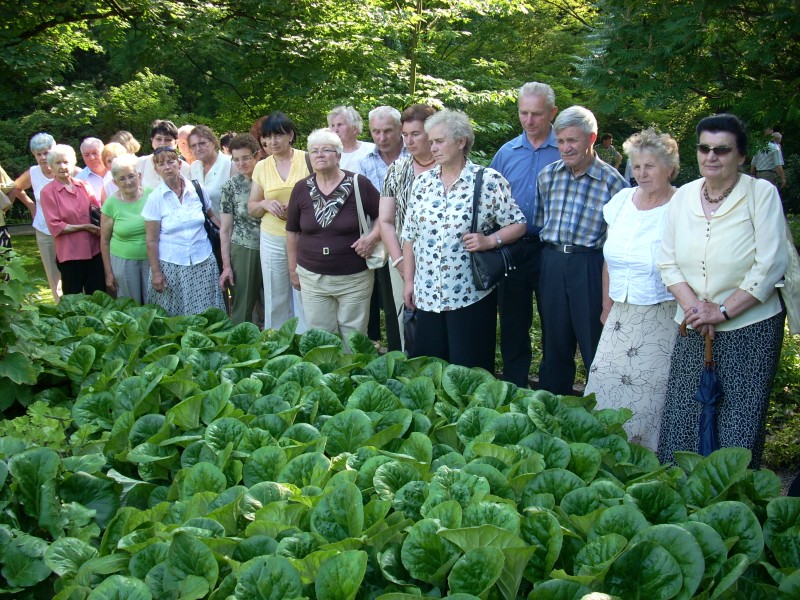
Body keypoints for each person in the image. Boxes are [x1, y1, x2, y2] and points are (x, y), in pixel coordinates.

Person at [657, 114, 788, 468]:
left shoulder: (761, 194)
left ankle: (730, 503)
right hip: (693, 325)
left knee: (738, 421)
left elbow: (771, 262)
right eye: (704, 148)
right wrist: (697, 309)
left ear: (741, 156)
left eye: (722, 149)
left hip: (751, 327)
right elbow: (667, 261)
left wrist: (724, 310)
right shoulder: (682, 196)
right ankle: (679, 498)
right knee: (684, 414)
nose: (711, 156)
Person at [402, 109, 526, 372]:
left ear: (461, 142)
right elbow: (410, 237)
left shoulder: (487, 181)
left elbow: (518, 224)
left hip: (470, 295)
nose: (432, 147)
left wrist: (490, 241)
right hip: (427, 296)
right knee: (429, 371)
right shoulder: (422, 184)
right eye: (431, 141)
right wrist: (409, 281)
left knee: (469, 372)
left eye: (439, 141)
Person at [584, 129, 680, 451]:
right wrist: (606, 304)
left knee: (648, 398)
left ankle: (646, 467)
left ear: (670, 167)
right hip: (619, 314)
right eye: (637, 166)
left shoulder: (681, 207)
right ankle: (602, 459)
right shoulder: (622, 201)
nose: (641, 173)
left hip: (661, 316)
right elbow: (608, 257)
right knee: (604, 386)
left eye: (650, 166)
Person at [536, 106, 629, 395]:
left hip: (590, 265)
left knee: (594, 342)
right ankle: (551, 407)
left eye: (572, 141)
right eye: (561, 141)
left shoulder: (614, 183)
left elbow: (619, 240)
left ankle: (600, 411)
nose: (565, 148)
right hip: (551, 262)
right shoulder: (547, 176)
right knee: (554, 342)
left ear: (592, 138)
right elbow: (540, 220)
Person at [490, 81, 561, 388]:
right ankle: (515, 386)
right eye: (524, 113)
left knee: (555, 323)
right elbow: (488, 199)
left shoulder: (566, 149)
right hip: (513, 249)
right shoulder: (507, 153)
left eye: (537, 114)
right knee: (513, 323)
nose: (529, 121)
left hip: (552, 251)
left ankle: (553, 389)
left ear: (552, 113)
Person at [286, 129, 381, 342]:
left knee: (355, 337)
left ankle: (355, 373)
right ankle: (328, 375)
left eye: (326, 150)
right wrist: (293, 270)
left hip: (354, 277)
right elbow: (292, 232)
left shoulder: (359, 183)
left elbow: (382, 217)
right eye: (314, 151)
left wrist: (372, 238)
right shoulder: (301, 188)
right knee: (321, 337)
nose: (319, 154)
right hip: (312, 278)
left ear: (338, 156)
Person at [379, 104, 437, 352]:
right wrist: (400, 262)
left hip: (442, 261)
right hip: (401, 259)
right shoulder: (397, 169)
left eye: (416, 134)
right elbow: (386, 221)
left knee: (437, 324)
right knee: (408, 323)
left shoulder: (449, 167)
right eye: (405, 134)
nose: (409, 141)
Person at [142, 146, 226, 316]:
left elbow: (211, 217)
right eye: (160, 164)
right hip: (172, 265)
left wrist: (228, 233)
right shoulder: (155, 198)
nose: (167, 167)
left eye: (171, 161)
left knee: (207, 313)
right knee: (175, 314)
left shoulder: (197, 189)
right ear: (156, 169)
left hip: (203, 261)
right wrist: (156, 272)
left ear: (179, 164)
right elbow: (151, 240)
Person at [248, 112, 309, 332]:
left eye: (278, 136)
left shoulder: (308, 159)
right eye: (267, 137)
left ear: (290, 135)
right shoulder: (261, 167)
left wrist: (295, 210)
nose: (272, 142)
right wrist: (265, 204)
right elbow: (252, 207)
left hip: (305, 237)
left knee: (304, 291)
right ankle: (278, 343)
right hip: (272, 237)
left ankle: (307, 340)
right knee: (275, 293)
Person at [360, 106, 408, 349]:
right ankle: (397, 351)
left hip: (412, 237)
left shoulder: (416, 154)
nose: (381, 138)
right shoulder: (365, 162)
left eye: (387, 131)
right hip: (381, 241)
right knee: (390, 303)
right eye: (375, 132)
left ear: (400, 129)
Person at [14, 133, 76, 302]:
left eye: (46, 152)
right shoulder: (33, 173)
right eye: (38, 154)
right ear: (34, 155)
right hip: (45, 229)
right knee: (53, 272)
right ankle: (59, 305)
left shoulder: (69, 170)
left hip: (70, 230)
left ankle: (79, 301)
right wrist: (32, 206)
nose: (43, 157)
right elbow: (16, 188)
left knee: (74, 269)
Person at [39, 145, 104, 295]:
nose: (63, 167)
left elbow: (96, 212)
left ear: (73, 163)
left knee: (97, 295)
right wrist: (85, 227)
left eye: (66, 162)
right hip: (70, 254)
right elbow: (55, 226)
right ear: (51, 166)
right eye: (57, 163)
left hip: (94, 250)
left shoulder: (83, 185)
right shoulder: (48, 192)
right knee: (72, 299)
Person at [219, 134, 263, 325]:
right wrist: (226, 265)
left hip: (275, 245)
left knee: (276, 301)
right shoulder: (231, 186)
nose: (241, 163)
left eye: (245, 157)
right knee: (243, 304)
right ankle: (240, 345)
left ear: (257, 155)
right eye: (236, 159)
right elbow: (225, 229)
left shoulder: (270, 178)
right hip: (244, 248)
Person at [99, 155, 151, 303]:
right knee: (130, 304)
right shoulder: (110, 204)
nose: (128, 182)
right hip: (124, 261)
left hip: (152, 259)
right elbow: (104, 241)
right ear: (115, 182)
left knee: (155, 301)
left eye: (131, 176)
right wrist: (109, 272)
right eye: (122, 178)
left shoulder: (152, 195)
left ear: (139, 176)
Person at [189, 125, 235, 214]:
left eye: (202, 143)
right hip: (204, 225)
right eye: (193, 146)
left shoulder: (229, 164)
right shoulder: (194, 167)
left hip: (228, 225)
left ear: (213, 143)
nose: (198, 148)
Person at [137, 120, 191, 190]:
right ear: (152, 141)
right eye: (158, 139)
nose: (162, 143)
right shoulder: (140, 164)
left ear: (176, 143)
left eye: (168, 140)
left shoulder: (185, 168)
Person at [327, 106, 375, 173]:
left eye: (340, 125)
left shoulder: (372, 150)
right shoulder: (329, 154)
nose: (335, 130)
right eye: (332, 126)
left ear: (355, 128)